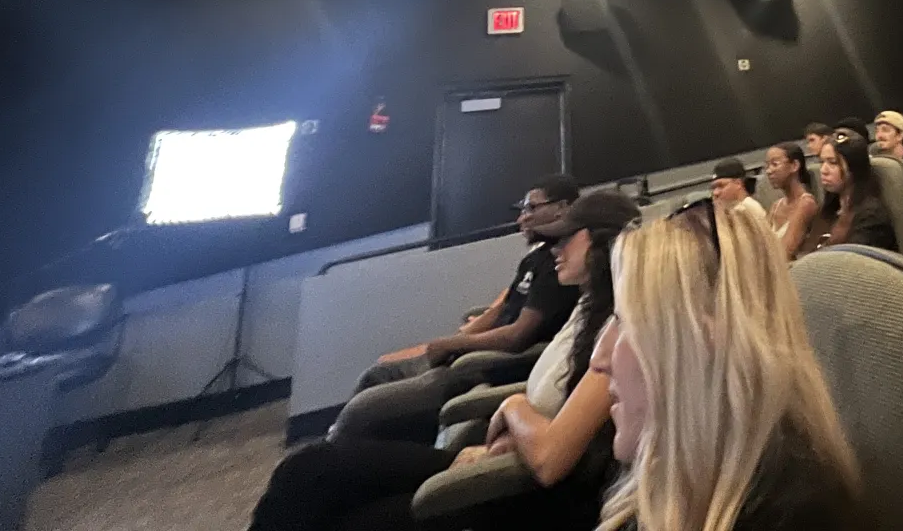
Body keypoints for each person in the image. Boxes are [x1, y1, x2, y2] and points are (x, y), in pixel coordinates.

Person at [249, 191, 639, 531]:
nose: (554, 249)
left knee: (344, 511)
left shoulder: (617, 328)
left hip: (515, 487)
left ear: (602, 244)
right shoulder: (587, 306)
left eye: (565, 240)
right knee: (306, 470)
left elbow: (553, 457)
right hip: (504, 453)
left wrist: (512, 407)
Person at [595, 201, 865, 531]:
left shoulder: (789, 512)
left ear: (701, 345)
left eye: (625, 323)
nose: (599, 359)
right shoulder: (673, 478)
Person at [328, 175, 582, 443]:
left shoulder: (560, 267)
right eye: (522, 209)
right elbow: (503, 307)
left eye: (532, 208)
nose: (522, 218)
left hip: (480, 366)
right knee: (377, 374)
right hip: (465, 355)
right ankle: (333, 445)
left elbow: (518, 335)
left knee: (362, 410)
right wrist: (463, 335)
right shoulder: (535, 258)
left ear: (562, 207)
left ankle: (334, 453)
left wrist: (455, 343)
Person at [807, 131, 897, 252]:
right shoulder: (830, 210)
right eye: (822, 162)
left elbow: (852, 264)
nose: (823, 170)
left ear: (854, 167)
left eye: (833, 163)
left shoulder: (871, 216)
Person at [763, 141, 820, 259]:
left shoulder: (806, 204)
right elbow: (762, 246)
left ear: (794, 165)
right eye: (767, 166)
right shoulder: (776, 206)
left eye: (774, 164)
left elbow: (786, 252)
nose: (769, 171)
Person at [711, 158, 769, 223]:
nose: (716, 192)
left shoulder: (747, 208)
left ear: (738, 184)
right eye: (714, 188)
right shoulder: (731, 211)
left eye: (721, 186)